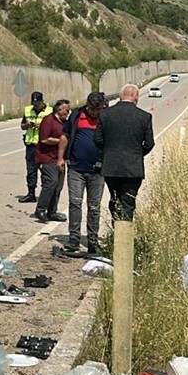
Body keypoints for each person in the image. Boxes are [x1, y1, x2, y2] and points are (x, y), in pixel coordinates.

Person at [94, 83, 154, 221]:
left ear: (120, 97)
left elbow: (97, 139)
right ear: (136, 97)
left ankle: (116, 231)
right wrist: (137, 154)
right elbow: (149, 143)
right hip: (133, 167)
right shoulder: (144, 117)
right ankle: (124, 235)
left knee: (115, 198)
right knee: (128, 201)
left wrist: (109, 151)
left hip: (111, 166)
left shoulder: (105, 115)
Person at [58, 91, 106, 254]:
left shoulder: (106, 117)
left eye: (97, 109)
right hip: (76, 168)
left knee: (94, 207)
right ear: (87, 106)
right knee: (75, 203)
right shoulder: (76, 116)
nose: (94, 112)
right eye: (92, 109)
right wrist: (60, 158)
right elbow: (64, 137)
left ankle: (92, 240)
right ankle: (74, 239)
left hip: (98, 170)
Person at [34, 99, 71, 222]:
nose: (68, 112)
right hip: (47, 158)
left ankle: (52, 211)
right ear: (59, 110)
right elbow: (44, 139)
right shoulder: (48, 121)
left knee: (58, 186)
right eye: (66, 110)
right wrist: (62, 141)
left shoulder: (65, 122)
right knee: (51, 183)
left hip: (60, 158)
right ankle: (40, 210)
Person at [18, 91, 52, 203]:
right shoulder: (28, 110)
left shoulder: (50, 111)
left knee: (45, 171)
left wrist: (42, 126)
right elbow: (22, 126)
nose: (36, 105)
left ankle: (45, 194)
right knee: (31, 170)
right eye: (34, 103)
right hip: (31, 145)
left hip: (44, 146)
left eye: (38, 103)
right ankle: (31, 193)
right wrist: (28, 125)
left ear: (43, 101)